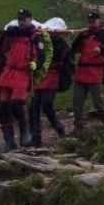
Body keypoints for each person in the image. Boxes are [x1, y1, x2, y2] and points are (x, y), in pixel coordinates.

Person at [0, 8, 46, 150]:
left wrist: (35, 66)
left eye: (24, 19)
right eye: (19, 19)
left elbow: (41, 57)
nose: (21, 22)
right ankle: (9, 141)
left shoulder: (36, 35)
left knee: (16, 103)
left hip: (22, 73)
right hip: (8, 72)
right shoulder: (14, 33)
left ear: (30, 19)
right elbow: (1, 48)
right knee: (2, 108)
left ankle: (25, 132)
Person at [30, 17, 73, 145]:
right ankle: (36, 137)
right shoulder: (40, 40)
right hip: (40, 76)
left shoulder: (62, 45)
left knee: (46, 103)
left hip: (53, 75)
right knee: (34, 106)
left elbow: (55, 57)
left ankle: (59, 128)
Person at [71, 10, 104, 131]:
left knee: (98, 101)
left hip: (95, 72)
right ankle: (78, 128)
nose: (91, 24)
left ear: (99, 21)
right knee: (77, 102)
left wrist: (101, 49)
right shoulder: (85, 34)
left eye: (93, 21)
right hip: (81, 72)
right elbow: (74, 48)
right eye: (89, 22)